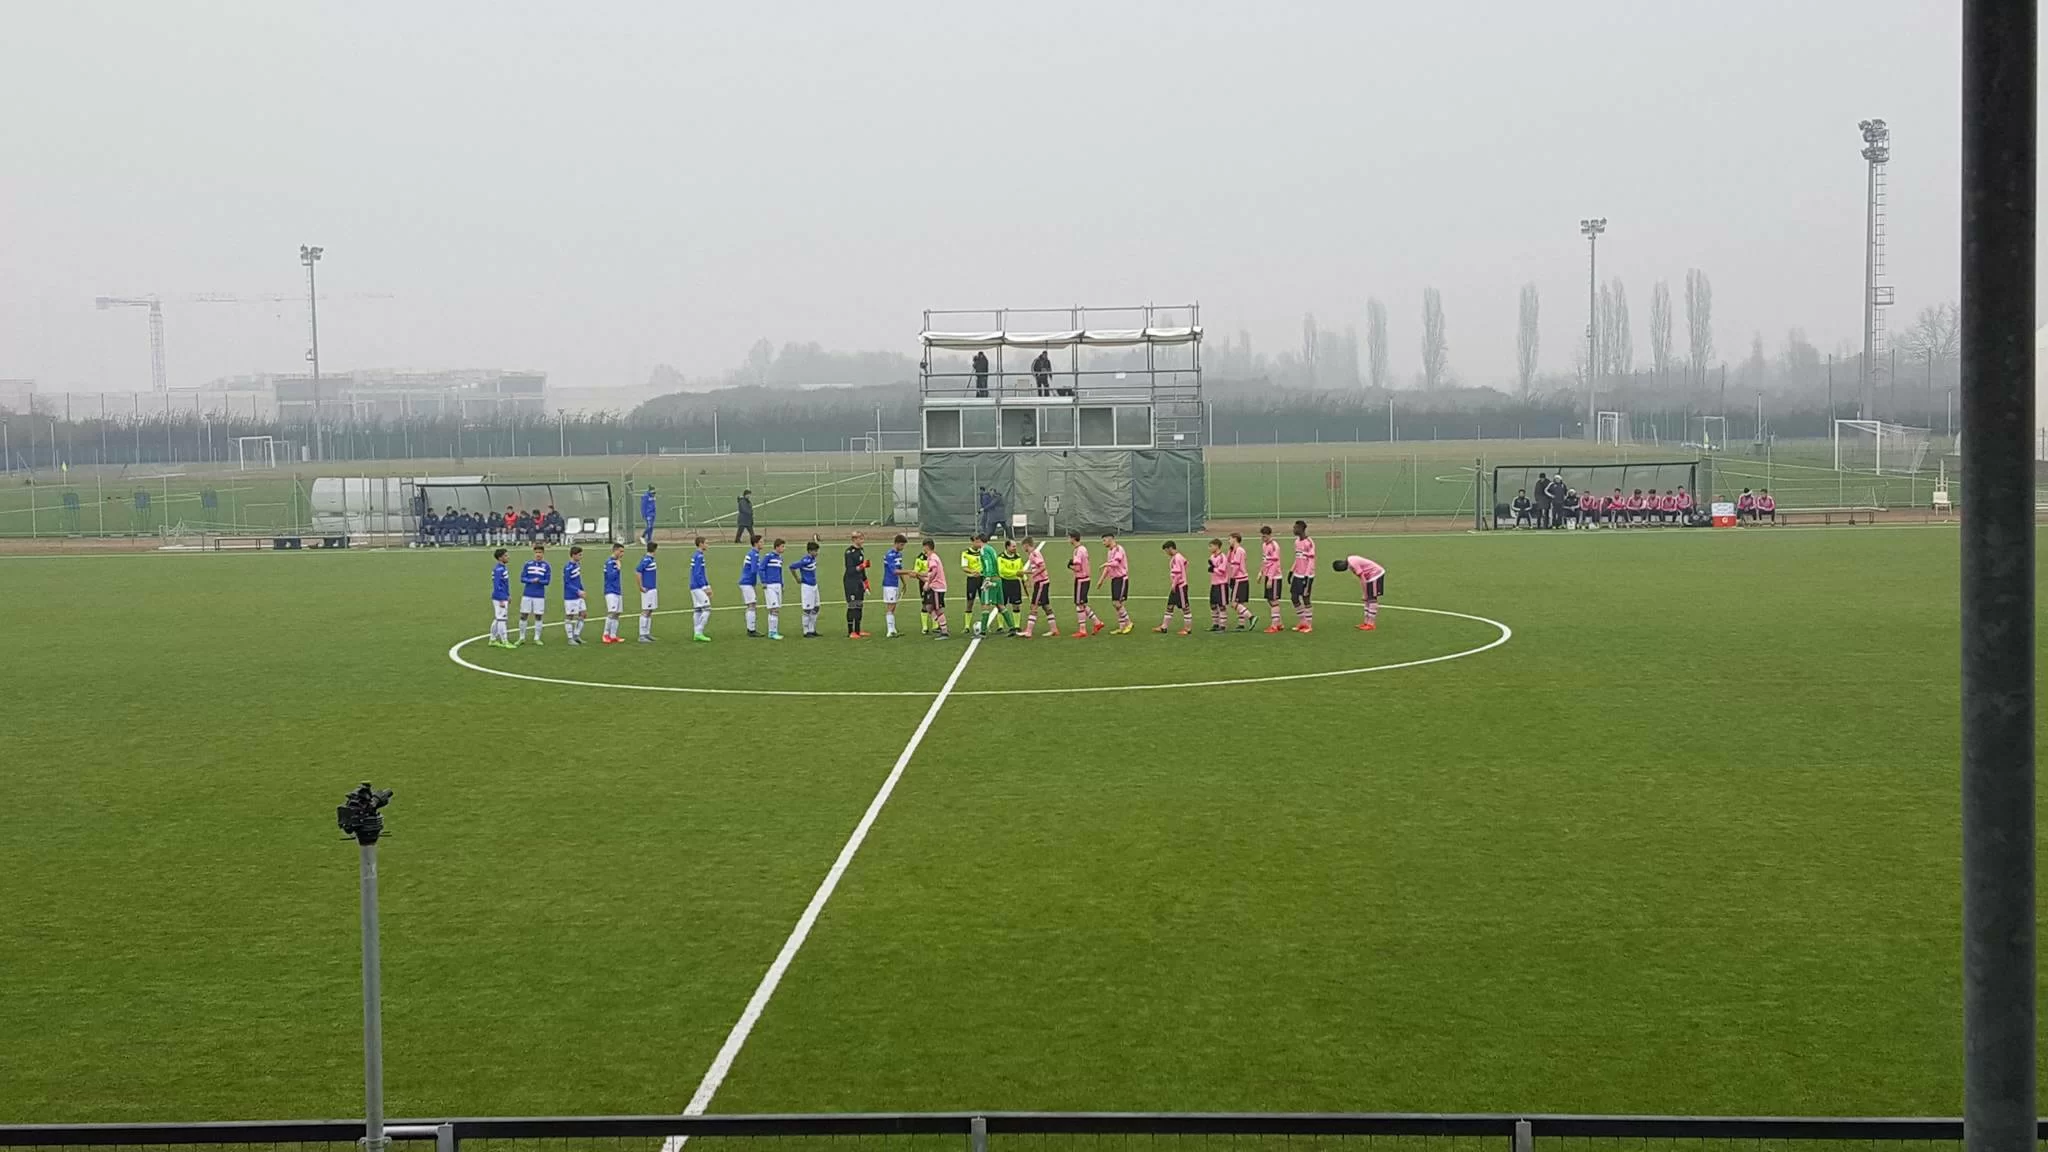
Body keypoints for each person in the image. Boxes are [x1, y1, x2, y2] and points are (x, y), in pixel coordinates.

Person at [1333, 554, 1387, 631]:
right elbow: (1361, 578)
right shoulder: (1350, 560)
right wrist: (1365, 594)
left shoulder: (1353, 564)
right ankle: (1366, 622)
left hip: (1376, 574)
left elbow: (1362, 579)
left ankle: (1371, 624)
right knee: (1367, 599)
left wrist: (1365, 594)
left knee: (1371, 598)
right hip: (1369, 576)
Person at [1067, 529, 1103, 637]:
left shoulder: (1078, 551)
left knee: (1079, 604)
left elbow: (1078, 567)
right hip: (1086, 579)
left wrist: (1070, 566)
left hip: (1081, 579)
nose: (1068, 540)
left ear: (1073, 538)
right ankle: (1097, 622)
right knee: (1082, 603)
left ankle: (1082, 630)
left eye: (1069, 537)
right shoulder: (1083, 548)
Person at [1022, 535, 1057, 637]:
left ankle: (1028, 631)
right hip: (1043, 582)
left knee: (1034, 606)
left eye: (1023, 546)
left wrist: (1032, 577)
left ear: (1026, 545)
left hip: (1041, 583)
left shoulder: (1034, 554)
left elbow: (1042, 567)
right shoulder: (1034, 554)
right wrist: (1025, 572)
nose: (1023, 548)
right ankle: (1054, 629)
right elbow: (1036, 569)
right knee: (1046, 606)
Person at [1156, 540, 1192, 634]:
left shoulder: (1177, 558)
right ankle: (1164, 627)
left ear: (1170, 548)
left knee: (1185, 607)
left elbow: (1178, 573)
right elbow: (1186, 563)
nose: (1166, 553)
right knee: (1170, 606)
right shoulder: (1179, 557)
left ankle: (1188, 629)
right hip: (1178, 585)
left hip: (1180, 586)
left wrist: (1174, 584)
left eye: (1166, 551)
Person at [519, 543, 552, 646]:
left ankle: (537, 638)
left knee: (538, 616)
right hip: (527, 594)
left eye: (540, 552)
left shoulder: (546, 566)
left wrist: (539, 581)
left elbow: (547, 581)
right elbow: (522, 578)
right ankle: (522, 637)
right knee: (524, 615)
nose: (538, 554)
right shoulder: (528, 564)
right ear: (534, 553)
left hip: (539, 595)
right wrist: (530, 580)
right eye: (537, 552)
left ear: (543, 553)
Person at [917, 538, 950, 639]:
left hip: (937, 587)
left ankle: (944, 631)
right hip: (935, 586)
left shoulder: (932, 558)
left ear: (927, 546)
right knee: (929, 607)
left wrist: (928, 582)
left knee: (937, 609)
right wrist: (919, 574)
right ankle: (941, 625)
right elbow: (930, 572)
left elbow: (933, 571)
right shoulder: (932, 557)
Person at [1100, 531, 1132, 634]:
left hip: (1121, 579)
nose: (1103, 543)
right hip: (1114, 579)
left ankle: (1128, 622)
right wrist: (1101, 579)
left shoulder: (1119, 549)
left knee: (1117, 603)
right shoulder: (1110, 551)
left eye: (1104, 540)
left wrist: (1106, 564)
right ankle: (1122, 627)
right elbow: (1109, 566)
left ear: (1110, 539)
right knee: (1117, 604)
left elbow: (1116, 563)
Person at [977, 532, 1008, 635]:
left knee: (985, 604)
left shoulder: (983, 549)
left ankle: (983, 631)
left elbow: (988, 563)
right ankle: (1012, 627)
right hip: (998, 578)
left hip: (991, 579)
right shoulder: (991, 548)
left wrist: (987, 578)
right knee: (1000, 605)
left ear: (979, 541)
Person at [996, 537, 1027, 637]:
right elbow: (1002, 571)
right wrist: (1015, 572)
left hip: (1015, 582)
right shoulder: (1000, 557)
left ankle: (1017, 625)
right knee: (1002, 604)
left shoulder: (1017, 557)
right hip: (1004, 582)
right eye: (1013, 546)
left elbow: (1021, 568)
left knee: (1016, 604)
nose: (1015, 548)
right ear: (1007, 547)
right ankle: (1000, 626)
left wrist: (1024, 578)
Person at [1289, 519, 1316, 632]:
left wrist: (1306, 576)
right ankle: (1302, 621)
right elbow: (1298, 558)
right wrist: (1291, 571)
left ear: (1302, 529)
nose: (1294, 529)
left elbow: (1311, 561)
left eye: (1296, 528)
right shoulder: (1296, 542)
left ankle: (1308, 625)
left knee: (1305, 598)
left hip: (1307, 575)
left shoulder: (1309, 542)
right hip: (1297, 574)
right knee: (1294, 597)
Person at [1258, 525, 1286, 632]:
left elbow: (1275, 563)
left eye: (1265, 536)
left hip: (1275, 577)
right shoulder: (1264, 545)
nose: (1263, 539)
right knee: (1269, 599)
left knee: (1274, 600)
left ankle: (1274, 626)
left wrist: (1270, 578)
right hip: (1268, 575)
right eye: (1262, 537)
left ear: (1269, 535)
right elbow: (1265, 560)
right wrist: (1261, 572)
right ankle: (1279, 623)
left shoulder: (1274, 546)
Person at [792, 540, 823, 637]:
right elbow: (792, 567)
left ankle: (812, 629)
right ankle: (806, 631)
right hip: (807, 587)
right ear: (810, 551)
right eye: (815, 551)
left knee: (816, 607)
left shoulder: (813, 559)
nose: (817, 553)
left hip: (814, 586)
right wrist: (797, 578)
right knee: (807, 609)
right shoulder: (805, 560)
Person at [843, 532, 870, 638]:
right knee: (852, 605)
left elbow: (861, 570)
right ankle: (850, 631)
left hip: (859, 582)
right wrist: (862, 566)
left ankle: (858, 630)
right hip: (850, 582)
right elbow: (850, 570)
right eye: (861, 539)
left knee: (859, 605)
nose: (863, 541)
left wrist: (865, 581)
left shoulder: (861, 551)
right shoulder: (849, 552)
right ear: (854, 539)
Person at [1225, 531, 1254, 629]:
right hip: (1242, 579)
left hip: (1239, 579)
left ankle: (1251, 617)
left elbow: (1236, 566)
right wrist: (1230, 550)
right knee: (1240, 603)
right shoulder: (1234, 550)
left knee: (1233, 603)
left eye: (1229, 539)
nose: (1228, 541)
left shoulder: (1239, 551)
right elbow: (1228, 560)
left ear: (1234, 538)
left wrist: (1232, 578)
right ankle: (1241, 624)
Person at [960, 534, 987, 633]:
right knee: (970, 602)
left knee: (984, 601)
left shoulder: (983, 552)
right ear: (972, 542)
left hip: (982, 579)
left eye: (979, 541)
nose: (978, 543)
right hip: (972, 580)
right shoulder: (966, 553)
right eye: (976, 541)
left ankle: (984, 625)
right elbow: (964, 567)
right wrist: (972, 572)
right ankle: (966, 626)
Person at [881, 535, 906, 638]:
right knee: (890, 607)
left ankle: (893, 629)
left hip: (895, 583)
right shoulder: (890, 555)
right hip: (889, 583)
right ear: (896, 543)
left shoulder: (898, 555)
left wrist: (904, 583)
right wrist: (910, 572)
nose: (902, 547)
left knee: (893, 606)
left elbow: (899, 569)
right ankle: (890, 630)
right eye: (901, 544)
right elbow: (894, 571)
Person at [760, 538, 786, 640]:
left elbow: (780, 572)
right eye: (782, 546)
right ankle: (772, 632)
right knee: (774, 609)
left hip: (778, 585)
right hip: (770, 585)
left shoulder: (780, 558)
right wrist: (763, 581)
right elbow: (761, 568)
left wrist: (782, 584)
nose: (784, 548)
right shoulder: (768, 556)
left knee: (776, 609)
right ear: (777, 547)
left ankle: (773, 631)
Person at [488, 548, 514, 648]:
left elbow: (504, 585)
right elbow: (497, 585)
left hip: (502, 596)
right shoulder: (499, 570)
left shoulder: (502, 568)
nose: (508, 557)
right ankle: (505, 641)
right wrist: (502, 599)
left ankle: (493, 640)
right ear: (500, 557)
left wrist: (508, 595)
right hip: (500, 598)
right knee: (502, 619)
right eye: (506, 556)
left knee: (498, 619)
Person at [689, 536, 713, 643]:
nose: (708, 545)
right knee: (707, 608)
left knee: (698, 609)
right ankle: (699, 631)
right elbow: (698, 574)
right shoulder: (699, 557)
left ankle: (696, 633)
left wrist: (708, 585)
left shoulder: (697, 555)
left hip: (694, 586)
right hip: (697, 587)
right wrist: (705, 588)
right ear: (701, 544)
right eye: (706, 543)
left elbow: (701, 573)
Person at [601, 542, 626, 644]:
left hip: (617, 590)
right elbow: (610, 576)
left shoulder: (616, 561)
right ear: (615, 550)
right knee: (611, 612)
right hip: (610, 591)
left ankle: (613, 635)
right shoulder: (610, 562)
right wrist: (618, 568)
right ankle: (605, 634)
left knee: (617, 613)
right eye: (620, 551)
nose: (622, 554)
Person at [562, 545, 588, 645]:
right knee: (570, 616)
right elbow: (567, 583)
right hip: (570, 596)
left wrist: (582, 590)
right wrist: (578, 591)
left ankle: (576, 635)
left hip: (578, 595)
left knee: (583, 614)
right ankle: (570, 638)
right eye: (579, 555)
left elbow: (578, 579)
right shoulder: (568, 567)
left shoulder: (577, 565)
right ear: (573, 555)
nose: (581, 556)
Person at [635, 542, 659, 643]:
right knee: (645, 611)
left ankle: (647, 633)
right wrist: (640, 586)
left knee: (650, 611)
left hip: (652, 588)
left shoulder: (650, 559)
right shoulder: (646, 560)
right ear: (655, 550)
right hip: (647, 589)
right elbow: (638, 571)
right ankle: (642, 635)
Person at [738, 535, 762, 637]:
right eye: (761, 542)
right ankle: (751, 630)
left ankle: (751, 629)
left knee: (751, 605)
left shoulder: (753, 553)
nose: (763, 543)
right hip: (747, 582)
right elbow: (754, 570)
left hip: (748, 583)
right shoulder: (754, 555)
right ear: (756, 543)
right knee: (751, 605)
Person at [1206, 538, 1230, 632]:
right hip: (1214, 583)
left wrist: (1213, 569)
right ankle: (1215, 624)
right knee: (1212, 604)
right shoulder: (1212, 557)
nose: (1210, 548)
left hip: (1222, 584)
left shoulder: (1222, 557)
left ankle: (1223, 626)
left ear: (1216, 546)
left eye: (1211, 546)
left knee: (1222, 605)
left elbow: (1222, 571)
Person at [911, 545, 932, 633]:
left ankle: (935, 626)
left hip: (934, 582)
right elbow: (916, 572)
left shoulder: (933, 557)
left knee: (934, 603)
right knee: (924, 603)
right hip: (924, 582)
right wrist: (925, 580)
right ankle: (925, 627)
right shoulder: (920, 558)